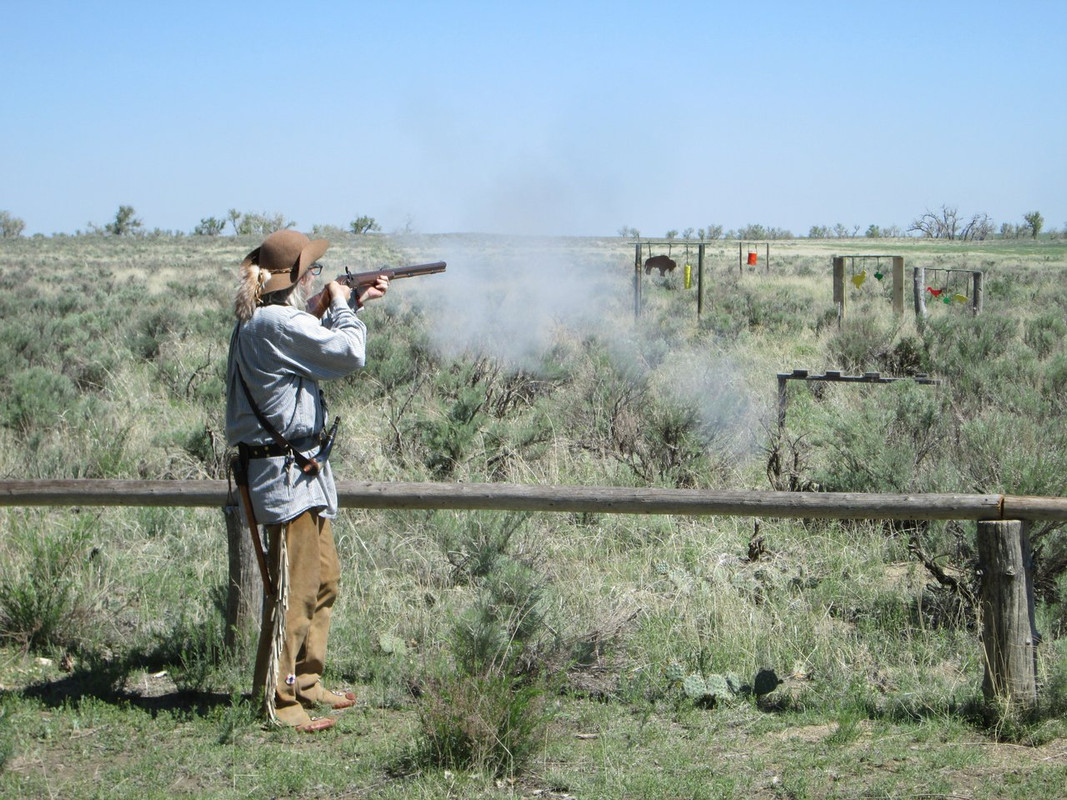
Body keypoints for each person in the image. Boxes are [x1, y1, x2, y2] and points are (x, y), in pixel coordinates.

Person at [225, 229, 388, 732]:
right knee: (295, 592)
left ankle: (306, 680)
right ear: (297, 277)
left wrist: (347, 301)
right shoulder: (275, 322)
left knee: (323, 580)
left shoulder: (272, 320)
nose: (318, 275)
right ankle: (280, 699)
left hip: (300, 473)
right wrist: (341, 306)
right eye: (313, 271)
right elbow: (347, 354)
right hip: (286, 475)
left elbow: (311, 339)